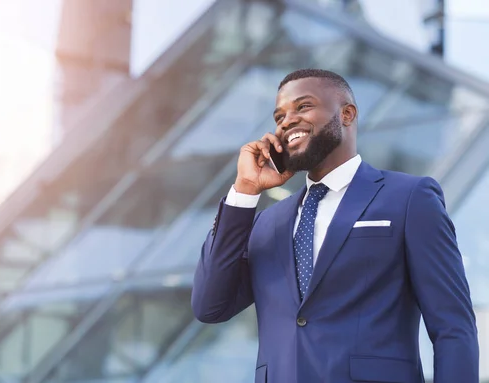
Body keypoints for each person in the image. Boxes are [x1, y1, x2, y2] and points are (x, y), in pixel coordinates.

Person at [191, 69, 479, 383]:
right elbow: (210, 306)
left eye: (303, 107)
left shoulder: (410, 198)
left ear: (347, 113)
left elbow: (453, 327)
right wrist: (244, 190)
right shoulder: (268, 222)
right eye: (279, 116)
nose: (287, 121)